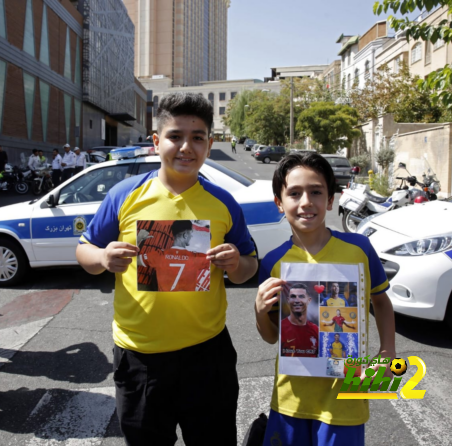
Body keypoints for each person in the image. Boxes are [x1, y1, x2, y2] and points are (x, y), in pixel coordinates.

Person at [76, 92, 258, 445]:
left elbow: (249, 266)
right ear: (157, 141)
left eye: (198, 137)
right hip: (139, 357)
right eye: (175, 136)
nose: (186, 147)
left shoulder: (223, 202)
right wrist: (101, 258)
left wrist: (237, 263)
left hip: (208, 354)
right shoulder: (124, 194)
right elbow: (84, 250)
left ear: (209, 143)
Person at [255, 152, 396, 446]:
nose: (306, 201)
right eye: (294, 193)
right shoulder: (272, 262)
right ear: (279, 203)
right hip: (291, 398)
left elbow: (381, 302)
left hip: (346, 397)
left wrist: (388, 351)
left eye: (316, 192)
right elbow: (272, 337)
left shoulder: (359, 248)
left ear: (330, 200)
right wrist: (259, 311)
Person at [137, 220, 210, 292]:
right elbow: (216, 260)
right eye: (190, 233)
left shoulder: (159, 255)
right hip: (186, 301)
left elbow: (133, 260)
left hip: (164, 300)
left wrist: (138, 239)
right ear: (185, 235)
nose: (191, 236)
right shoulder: (196, 257)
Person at [279, 283, 319, 357]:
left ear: (309, 300)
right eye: (293, 297)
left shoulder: (316, 330)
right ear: (288, 300)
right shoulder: (281, 327)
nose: (297, 300)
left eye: (301, 296)